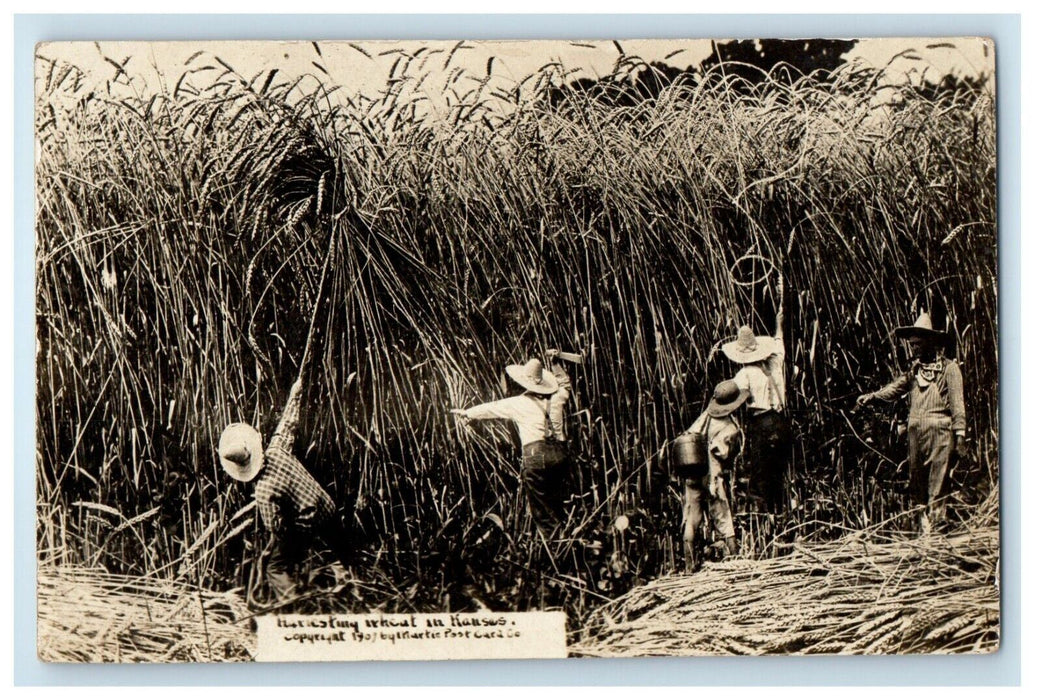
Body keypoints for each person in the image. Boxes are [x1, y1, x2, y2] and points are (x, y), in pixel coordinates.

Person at [218, 379, 354, 601]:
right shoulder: (277, 449)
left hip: (309, 525)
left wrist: (274, 547)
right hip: (328, 506)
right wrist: (296, 391)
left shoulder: (263, 490)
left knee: (275, 566)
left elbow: (277, 528)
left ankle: (294, 602)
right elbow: (288, 423)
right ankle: (348, 581)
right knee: (338, 550)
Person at [856, 312, 968, 533]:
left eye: (918, 344)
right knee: (917, 487)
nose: (914, 349)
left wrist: (960, 437)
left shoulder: (949, 369)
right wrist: (873, 396)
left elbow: (958, 405)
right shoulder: (915, 371)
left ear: (931, 342)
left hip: (941, 434)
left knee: (937, 486)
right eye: (912, 345)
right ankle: (922, 534)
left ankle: (935, 536)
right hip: (916, 436)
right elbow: (895, 388)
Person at [451, 357, 572, 534]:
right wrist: (555, 363)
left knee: (542, 509)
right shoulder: (559, 397)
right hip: (560, 455)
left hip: (536, 456)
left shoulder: (518, 403)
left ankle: (556, 546)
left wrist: (468, 413)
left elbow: (492, 408)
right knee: (556, 501)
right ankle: (567, 536)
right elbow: (565, 383)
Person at [722, 273, 790, 514]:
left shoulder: (745, 375)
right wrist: (779, 323)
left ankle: (761, 519)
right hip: (781, 423)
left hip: (761, 423)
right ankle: (779, 515)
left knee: (760, 474)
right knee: (778, 474)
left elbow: (732, 400)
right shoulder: (775, 365)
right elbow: (778, 340)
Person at [679, 379, 747, 572]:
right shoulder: (729, 427)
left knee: (691, 517)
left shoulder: (705, 417)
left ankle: (689, 567)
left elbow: (690, 435)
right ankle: (735, 561)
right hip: (712, 476)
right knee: (722, 514)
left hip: (693, 471)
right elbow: (722, 453)